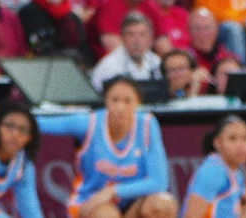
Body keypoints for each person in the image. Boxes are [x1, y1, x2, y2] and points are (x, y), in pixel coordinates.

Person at [37, 78, 178, 218]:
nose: (121, 107)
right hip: (92, 200)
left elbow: (159, 182)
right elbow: (40, 124)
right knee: (107, 215)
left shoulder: (147, 124)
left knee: (162, 205)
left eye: (127, 101)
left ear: (137, 103)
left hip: (130, 202)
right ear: (106, 101)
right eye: (115, 100)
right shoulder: (89, 123)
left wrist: (112, 191)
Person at [92, 12, 165, 87]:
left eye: (142, 34)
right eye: (131, 35)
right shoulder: (109, 67)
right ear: (122, 38)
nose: (137, 41)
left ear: (150, 39)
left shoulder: (155, 61)